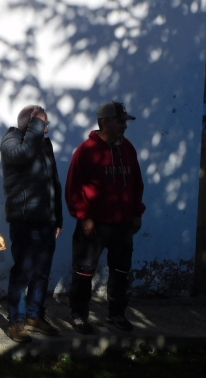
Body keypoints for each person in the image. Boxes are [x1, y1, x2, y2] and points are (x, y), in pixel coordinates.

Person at [65, 101, 146, 334]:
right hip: (94, 224)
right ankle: (79, 315)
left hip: (123, 223)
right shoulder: (86, 150)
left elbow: (136, 183)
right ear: (105, 123)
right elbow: (73, 187)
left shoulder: (128, 148)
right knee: (84, 271)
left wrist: (137, 212)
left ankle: (116, 314)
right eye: (120, 121)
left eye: (124, 121)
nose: (124, 126)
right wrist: (84, 216)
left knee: (121, 271)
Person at [1, 104, 64, 343]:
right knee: (22, 273)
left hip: (46, 221)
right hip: (24, 220)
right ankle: (15, 322)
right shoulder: (11, 141)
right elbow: (23, 154)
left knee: (42, 273)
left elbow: (53, 183)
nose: (47, 128)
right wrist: (36, 125)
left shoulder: (44, 144)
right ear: (30, 125)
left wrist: (58, 217)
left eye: (46, 124)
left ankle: (34, 317)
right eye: (43, 124)